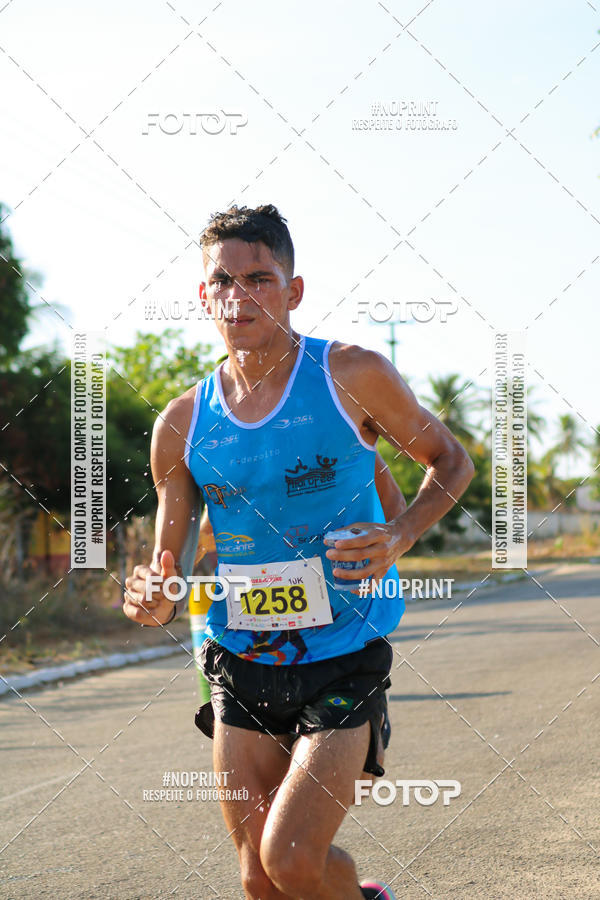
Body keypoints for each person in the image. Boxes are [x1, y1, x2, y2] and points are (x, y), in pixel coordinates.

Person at [123, 204, 474, 899]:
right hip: (239, 655)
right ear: (203, 295)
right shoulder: (182, 423)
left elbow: (451, 460)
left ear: (294, 290)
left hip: (344, 648)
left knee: (290, 861)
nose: (239, 296)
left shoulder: (351, 373)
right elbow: (172, 558)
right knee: (257, 879)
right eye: (222, 281)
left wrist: (400, 535)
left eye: (259, 278)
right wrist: (153, 596)